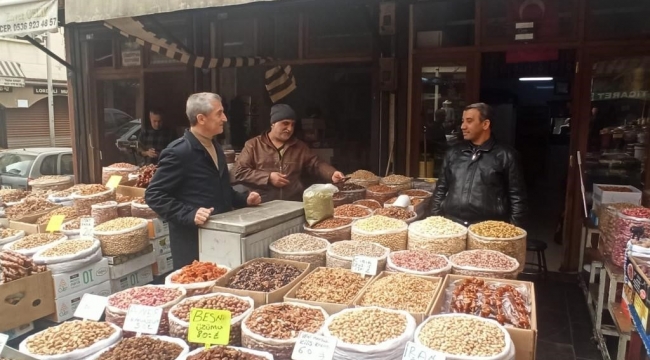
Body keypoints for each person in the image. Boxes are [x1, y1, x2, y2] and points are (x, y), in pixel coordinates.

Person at [145, 93, 261, 269]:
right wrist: (189, 214)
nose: (224, 118)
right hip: (192, 245)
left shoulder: (216, 147)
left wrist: (243, 199)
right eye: (219, 113)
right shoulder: (179, 152)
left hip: (220, 239)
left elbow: (221, 190)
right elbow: (154, 195)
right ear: (201, 118)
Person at [431, 103, 527, 227]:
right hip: (453, 225)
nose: (463, 126)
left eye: (469, 121)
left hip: (489, 228)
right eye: (462, 121)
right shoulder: (453, 153)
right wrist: (435, 220)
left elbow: (517, 199)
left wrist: (513, 231)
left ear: (485, 124)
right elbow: (441, 189)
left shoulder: (506, 155)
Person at [234, 104, 346, 202]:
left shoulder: (299, 146)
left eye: (292, 124)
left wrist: (332, 173)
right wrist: (268, 177)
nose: (289, 128)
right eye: (285, 123)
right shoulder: (253, 145)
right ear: (273, 123)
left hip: (293, 203)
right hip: (263, 205)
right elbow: (239, 172)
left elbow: (316, 163)